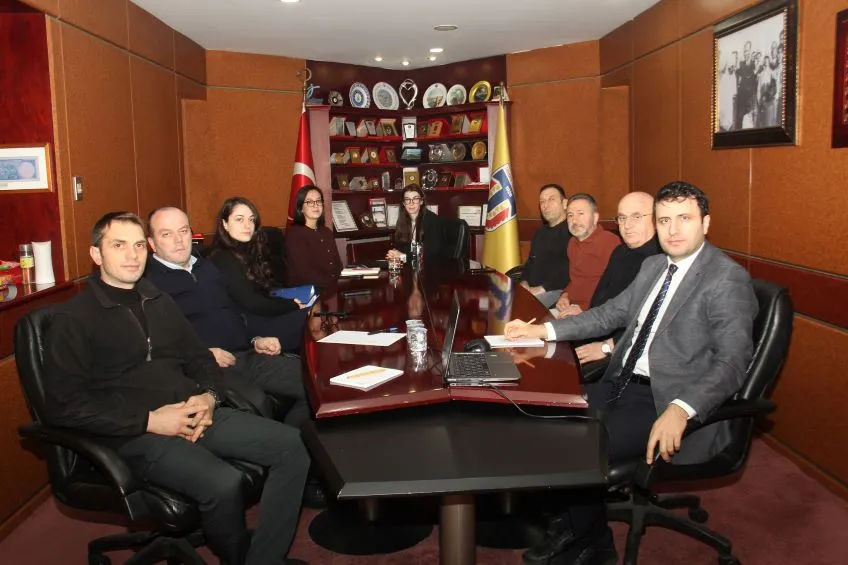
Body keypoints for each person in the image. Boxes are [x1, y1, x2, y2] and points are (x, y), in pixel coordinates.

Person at [505, 182, 758, 565]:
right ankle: (578, 523)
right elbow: (610, 314)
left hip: (664, 399)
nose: (673, 230)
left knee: (577, 446)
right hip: (620, 382)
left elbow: (733, 361)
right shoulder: (654, 266)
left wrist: (682, 408)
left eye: (684, 219)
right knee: (544, 417)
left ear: (706, 223)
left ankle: (590, 542)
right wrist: (544, 330)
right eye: (665, 220)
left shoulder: (726, 279)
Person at [43, 211, 309, 565]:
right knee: (224, 482)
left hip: (193, 411)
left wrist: (209, 397)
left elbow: (200, 359)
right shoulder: (72, 319)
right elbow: (63, 406)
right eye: (119, 245)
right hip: (135, 432)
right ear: (96, 254)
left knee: (293, 446)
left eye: (138, 245)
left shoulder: (158, 301)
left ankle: (263, 560)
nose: (132, 255)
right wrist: (150, 421)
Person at [145, 206, 310, 428]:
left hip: (247, 355)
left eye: (183, 231)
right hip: (208, 367)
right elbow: (156, 344)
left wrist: (256, 339)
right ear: (152, 243)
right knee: (259, 403)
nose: (178, 240)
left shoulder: (207, 268)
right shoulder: (149, 284)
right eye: (167, 234)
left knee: (316, 381)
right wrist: (203, 354)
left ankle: (301, 439)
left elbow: (236, 313)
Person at [561, 191, 662, 366]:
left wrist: (607, 346)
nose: (627, 225)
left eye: (636, 217)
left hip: (627, 349)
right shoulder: (620, 252)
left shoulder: (662, 259)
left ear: (655, 219)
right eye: (622, 218)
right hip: (600, 329)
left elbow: (653, 324)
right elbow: (600, 300)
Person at [209, 197, 309, 353]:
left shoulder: (248, 250)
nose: (247, 225)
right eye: (239, 219)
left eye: (251, 219)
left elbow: (264, 292)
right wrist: (292, 305)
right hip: (249, 328)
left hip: (260, 317)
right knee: (314, 318)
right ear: (225, 224)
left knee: (318, 315)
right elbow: (253, 303)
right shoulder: (223, 258)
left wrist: (290, 302)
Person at [554, 193, 620, 313]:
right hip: (569, 308)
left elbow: (616, 290)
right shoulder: (572, 243)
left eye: (580, 214)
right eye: (570, 215)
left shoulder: (610, 242)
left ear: (595, 218)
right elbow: (575, 280)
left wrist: (585, 309)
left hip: (595, 312)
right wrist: (565, 295)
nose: (574, 220)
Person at [518, 183, 572, 308]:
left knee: (523, 308)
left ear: (565, 203)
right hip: (532, 290)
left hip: (557, 291)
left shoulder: (572, 231)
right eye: (542, 201)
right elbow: (530, 263)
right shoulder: (540, 233)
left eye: (551, 200)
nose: (545, 205)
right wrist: (524, 283)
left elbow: (571, 270)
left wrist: (541, 289)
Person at [285, 185, 342, 290]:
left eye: (318, 201)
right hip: (306, 291)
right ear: (301, 208)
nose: (315, 205)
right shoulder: (295, 234)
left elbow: (338, 265)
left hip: (329, 287)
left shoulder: (326, 232)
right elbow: (304, 272)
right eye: (310, 202)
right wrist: (331, 283)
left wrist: (336, 283)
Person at [386, 184, 445, 263]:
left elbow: (432, 253)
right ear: (403, 203)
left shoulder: (432, 220)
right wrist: (394, 254)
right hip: (411, 265)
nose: (411, 203)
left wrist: (403, 257)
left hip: (430, 267)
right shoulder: (402, 220)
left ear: (421, 201)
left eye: (415, 199)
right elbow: (400, 247)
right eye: (407, 199)